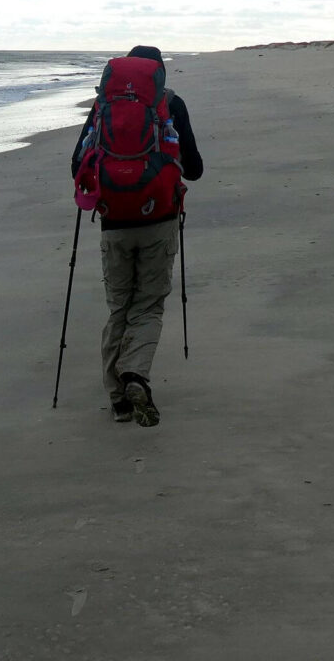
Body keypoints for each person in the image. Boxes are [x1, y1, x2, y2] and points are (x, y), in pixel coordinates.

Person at [69, 45, 204, 426]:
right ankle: (135, 374)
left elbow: (78, 165)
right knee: (148, 306)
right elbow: (194, 169)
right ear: (159, 74)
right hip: (158, 220)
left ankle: (119, 401)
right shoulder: (171, 104)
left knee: (119, 308)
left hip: (114, 222)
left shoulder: (103, 107)